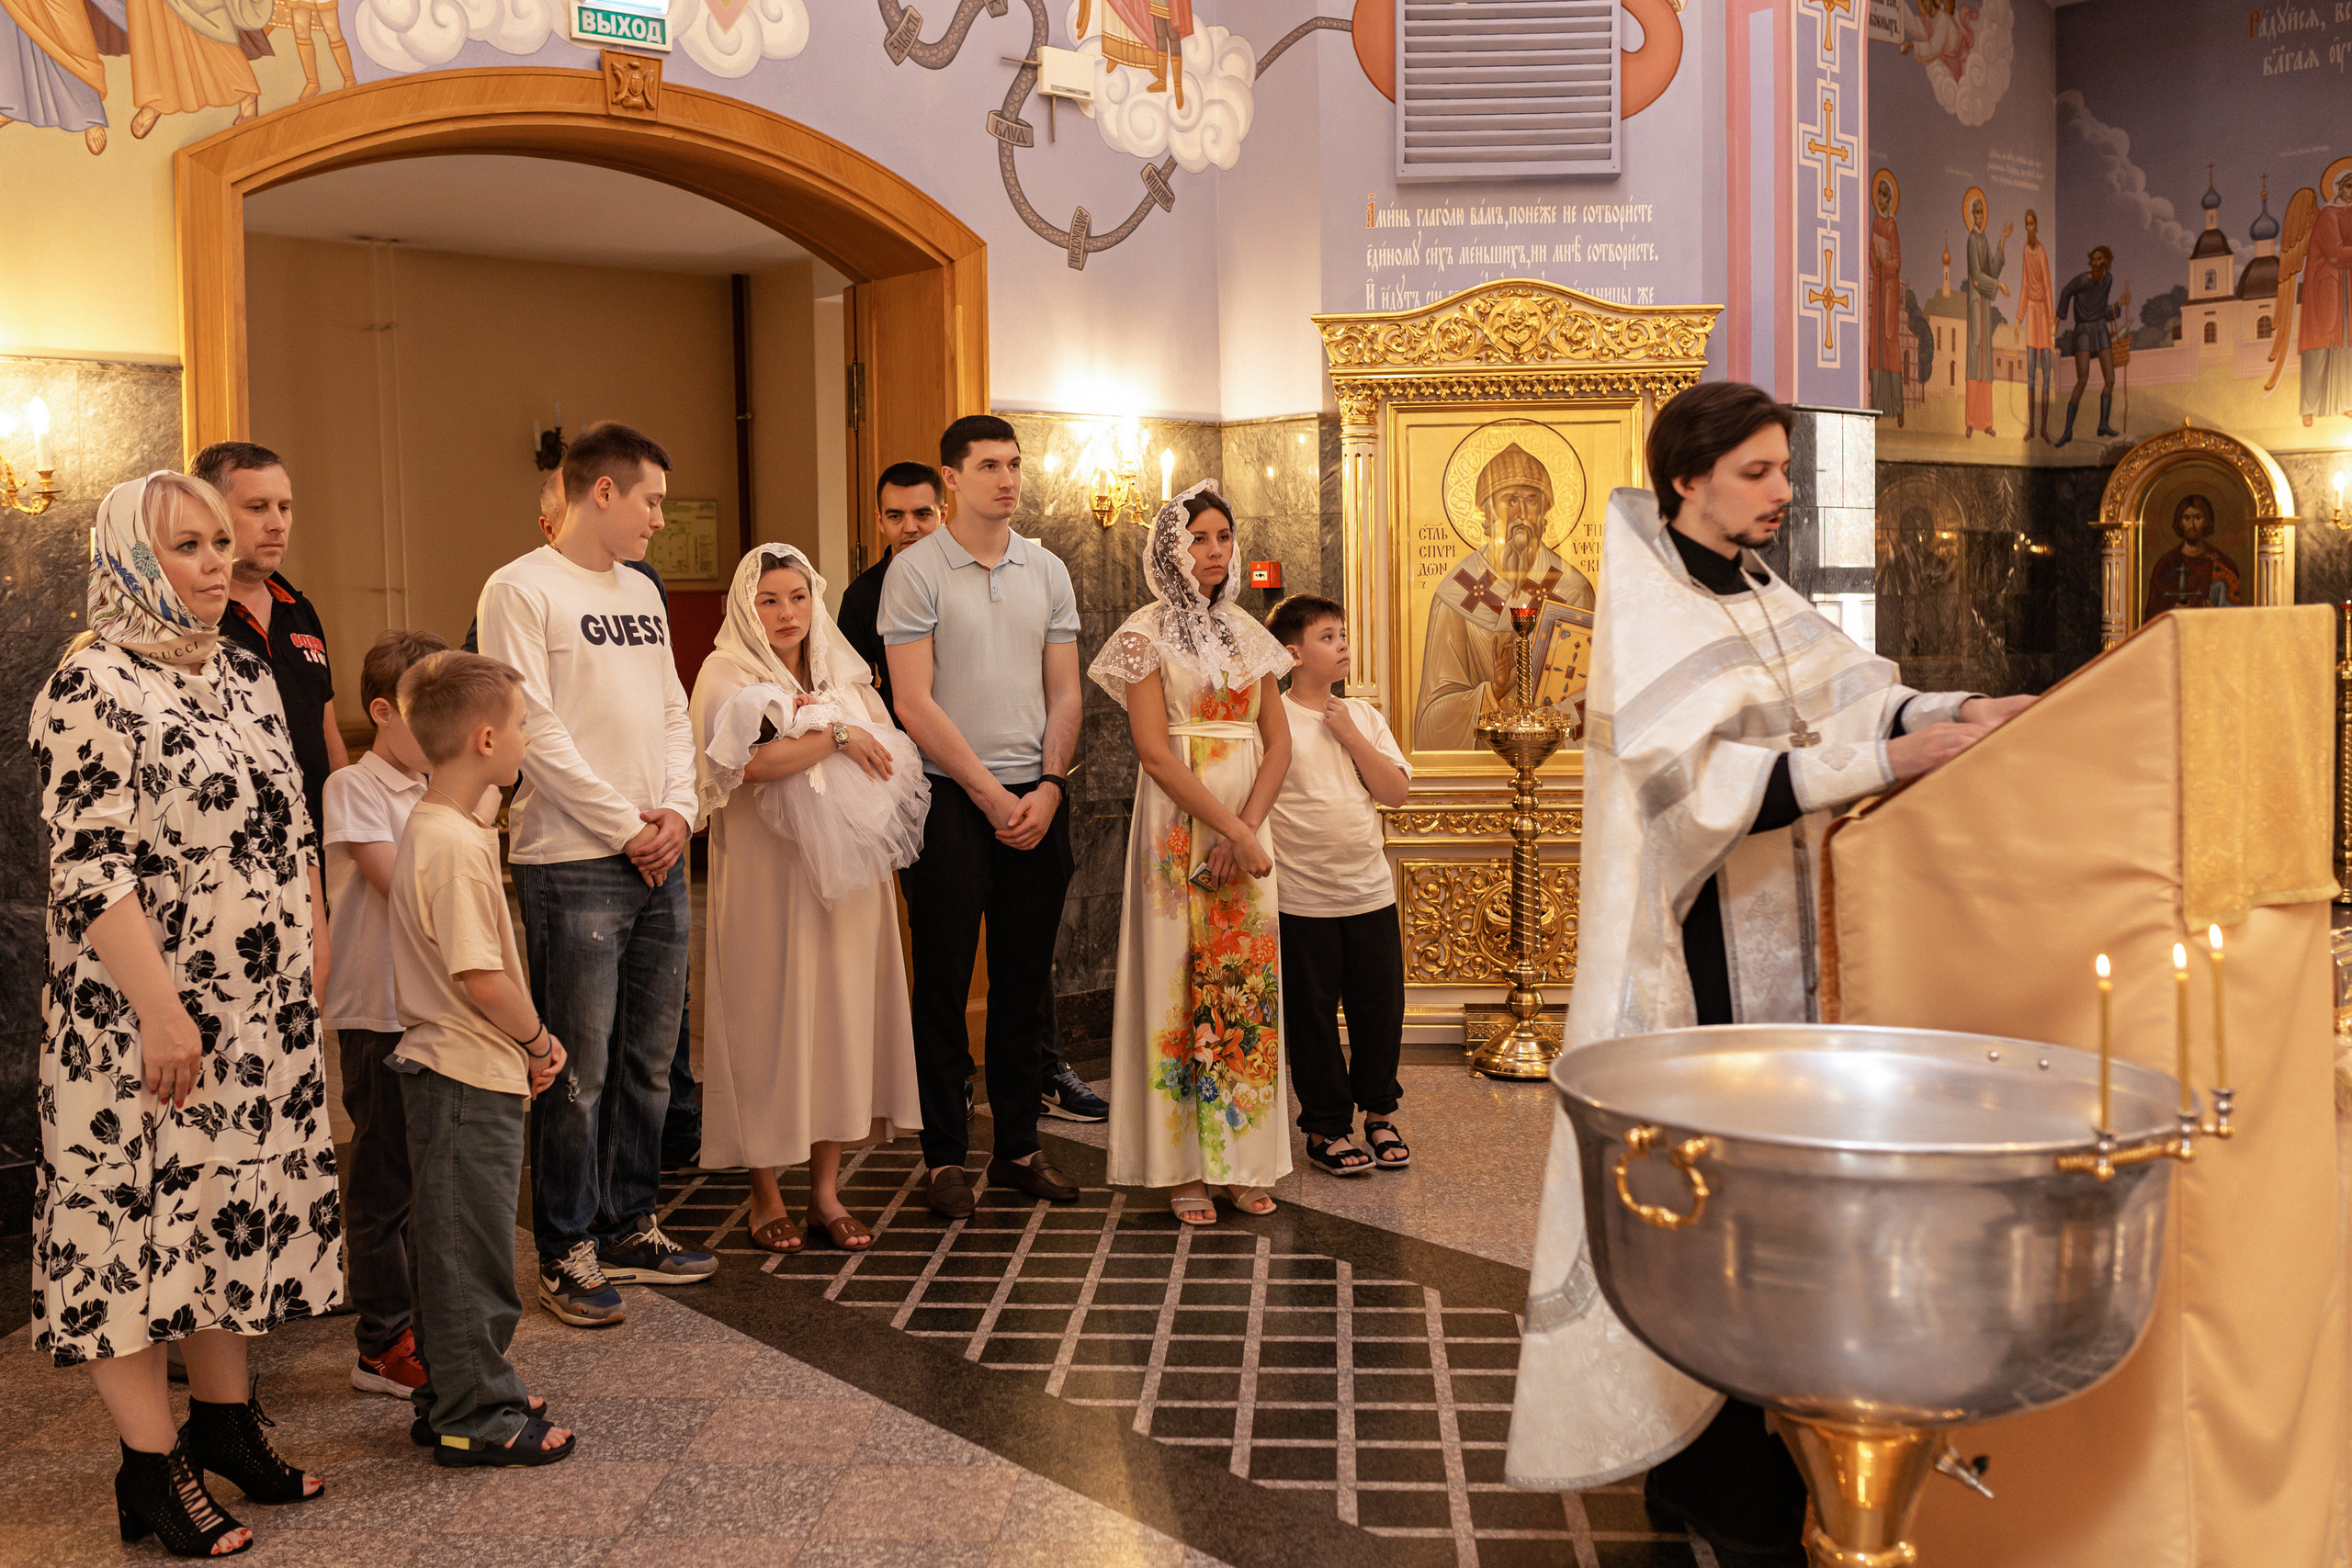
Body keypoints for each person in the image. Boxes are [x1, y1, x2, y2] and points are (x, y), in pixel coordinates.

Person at [1501, 382, 2038, 1565]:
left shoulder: (1758, 590)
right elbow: (1693, 794)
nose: (1782, 493)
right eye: (1757, 473)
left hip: (1791, 945)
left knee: (1774, 1212)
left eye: (1785, 471)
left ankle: (1731, 1464)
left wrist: (1960, 707)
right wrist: (1893, 757)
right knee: (1719, 1210)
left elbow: (1852, 692)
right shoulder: (1653, 611)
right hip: (1699, 958)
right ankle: (1716, 1475)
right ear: (1686, 477)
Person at [32, 472, 339, 1558]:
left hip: (255, 1022)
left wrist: (310, 942)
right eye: (186, 547)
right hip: (141, 1028)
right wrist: (165, 1014)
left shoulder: (245, 671)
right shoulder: (91, 679)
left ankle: (224, 1429)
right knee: (127, 1239)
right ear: (127, 557)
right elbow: (88, 868)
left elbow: (291, 820)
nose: (216, 563)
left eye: (220, 543)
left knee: (225, 1221)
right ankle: (151, 1473)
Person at [474, 421, 716, 1328]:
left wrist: (680, 816)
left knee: (650, 1063)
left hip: (658, 855)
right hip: (573, 862)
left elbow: (668, 708)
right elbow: (532, 728)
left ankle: (629, 1221)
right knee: (576, 1068)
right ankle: (567, 1244)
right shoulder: (519, 588)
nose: (661, 516)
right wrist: (628, 828)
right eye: (652, 499)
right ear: (603, 493)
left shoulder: (642, 593)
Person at [691, 545, 926, 1253]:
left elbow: (883, 751)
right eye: (769, 600)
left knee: (837, 1020)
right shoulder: (724, 671)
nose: (786, 613)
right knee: (767, 1020)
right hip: (766, 878)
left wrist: (843, 734)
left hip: (846, 884)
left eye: (797, 596)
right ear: (746, 607)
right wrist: (837, 736)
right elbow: (749, 764)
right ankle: (765, 1189)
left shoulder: (841, 669)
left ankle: (826, 1190)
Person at [881, 414, 1084, 1220]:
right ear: (952, 478)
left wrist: (1050, 784)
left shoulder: (1047, 568)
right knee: (941, 982)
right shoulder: (917, 571)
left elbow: (1064, 691)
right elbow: (913, 702)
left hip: (1037, 797)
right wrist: (992, 796)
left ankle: (1019, 1150)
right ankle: (942, 1158)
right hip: (949, 804)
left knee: (1024, 985)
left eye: (1015, 464)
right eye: (990, 465)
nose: (1008, 479)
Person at [386, 649, 575, 1467]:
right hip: (467, 1070)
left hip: (451, 1070)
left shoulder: (437, 826)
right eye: (526, 725)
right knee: (474, 1252)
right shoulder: (455, 846)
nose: (529, 738)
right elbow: (480, 975)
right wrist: (538, 1038)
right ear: (488, 737)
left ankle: (451, 1389)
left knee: (449, 1242)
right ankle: (479, 1414)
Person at [1093, 483, 1295, 1224]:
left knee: (1244, 984)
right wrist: (1230, 833)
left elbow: (1280, 742)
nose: (1215, 551)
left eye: (1224, 537)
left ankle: (1244, 1160)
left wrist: (1248, 828)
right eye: (1199, 538)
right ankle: (1181, 1166)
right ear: (1170, 548)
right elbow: (1153, 750)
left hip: (1246, 818)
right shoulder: (1142, 636)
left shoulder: (1251, 633)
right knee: (1178, 979)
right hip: (1178, 824)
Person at [323, 628, 496, 1405]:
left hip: (432, 1016)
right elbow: (419, 897)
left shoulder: (446, 791)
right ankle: (380, 1339)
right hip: (377, 1010)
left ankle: (427, 1329)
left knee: (433, 1182)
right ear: (384, 711)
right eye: (422, 708)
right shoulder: (354, 790)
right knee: (384, 1183)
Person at [1264, 593, 1412, 1178]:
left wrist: (1352, 735)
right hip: (1303, 898)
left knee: (1380, 1010)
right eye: (1328, 637)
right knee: (1314, 1017)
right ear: (1292, 653)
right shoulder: (1273, 719)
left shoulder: (1365, 717)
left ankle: (1379, 1113)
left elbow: (1395, 793)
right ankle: (1327, 1127)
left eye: (1343, 633)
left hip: (1369, 892)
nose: (1342, 644)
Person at [195, 442, 347, 845]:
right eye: (258, 507)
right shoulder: (190, 617)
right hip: (232, 847)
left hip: (314, 842)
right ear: (208, 512)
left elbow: (326, 731)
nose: (278, 523)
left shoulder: (299, 609)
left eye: (285, 506)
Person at [1414, 442, 1593, 752]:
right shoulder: (1455, 594)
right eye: (1509, 500)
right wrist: (1494, 692)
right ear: (1487, 512)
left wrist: (1543, 723)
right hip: (1478, 773)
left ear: (1545, 512)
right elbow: (1432, 722)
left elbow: (1596, 696)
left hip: (1553, 767)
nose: (1521, 514)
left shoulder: (1573, 590)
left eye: (1532, 501)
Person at [837, 461, 945, 717]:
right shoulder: (859, 597)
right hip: (901, 738)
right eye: (895, 516)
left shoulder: (970, 578)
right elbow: (851, 690)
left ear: (944, 515)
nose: (910, 527)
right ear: (880, 520)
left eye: (922, 514)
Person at [2053, 245, 2126, 446]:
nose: (2095, 262)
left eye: (2099, 259)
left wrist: (2118, 305)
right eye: (2093, 259)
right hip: (2084, 330)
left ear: (2106, 262)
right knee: (2082, 380)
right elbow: (2066, 291)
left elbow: (2102, 311)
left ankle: (2103, 424)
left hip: (2100, 329)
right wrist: (2057, 323)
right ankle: (2068, 431)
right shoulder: (2083, 280)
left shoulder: (2108, 280)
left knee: (2110, 379)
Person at [1962, 190, 2008, 439]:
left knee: (1985, 365)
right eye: (1976, 213)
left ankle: (1986, 422)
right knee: (1974, 361)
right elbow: (1978, 276)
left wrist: (2002, 240)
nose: (1980, 217)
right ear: (1972, 215)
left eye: (1982, 213)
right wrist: (1997, 285)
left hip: (1985, 307)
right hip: (1975, 303)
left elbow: (1991, 267)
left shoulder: (1984, 239)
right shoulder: (1971, 240)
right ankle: (1970, 421)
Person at [2143, 494, 2242, 614]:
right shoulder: (2166, 564)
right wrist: (2172, 611)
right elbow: (2152, 614)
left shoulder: (2222, 566)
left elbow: (2233, 618)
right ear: (2180, 523)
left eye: (2197, 518)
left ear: (2206, 522)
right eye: (2187, 518)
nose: (2192, 525)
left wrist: (2214, 615)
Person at [2019, 209, 2055, 443]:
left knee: (2046, 376)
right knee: (2031, 375)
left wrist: (2052, 322)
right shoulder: (2025, 250)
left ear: (2037, 226)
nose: (2030, 228)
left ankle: (2043, 428)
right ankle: (2032, 427)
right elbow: (2024, 284)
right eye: (2027, 224)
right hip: (2031, 315)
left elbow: (2049, 287)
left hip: (2043, 313)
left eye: (2033, 224)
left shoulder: (2041, 252)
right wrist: (2018, 318)